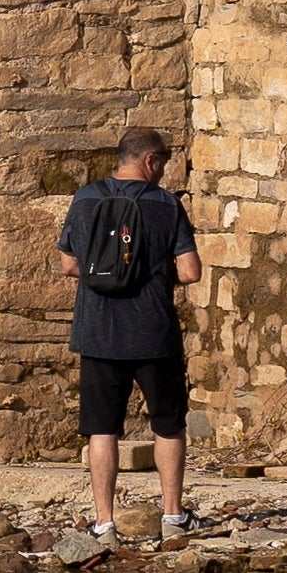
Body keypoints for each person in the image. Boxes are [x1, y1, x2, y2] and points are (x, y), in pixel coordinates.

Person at [58, 126, 203, 539]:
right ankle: (173, 516)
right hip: (153, 331)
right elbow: (190, 272)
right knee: (168, 423)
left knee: (102, 427)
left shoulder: (84, 199)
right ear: (150, 161)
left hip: (97, 331)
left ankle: (104, 522)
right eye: (164, 164)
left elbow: (68, 265)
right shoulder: (165, 204)